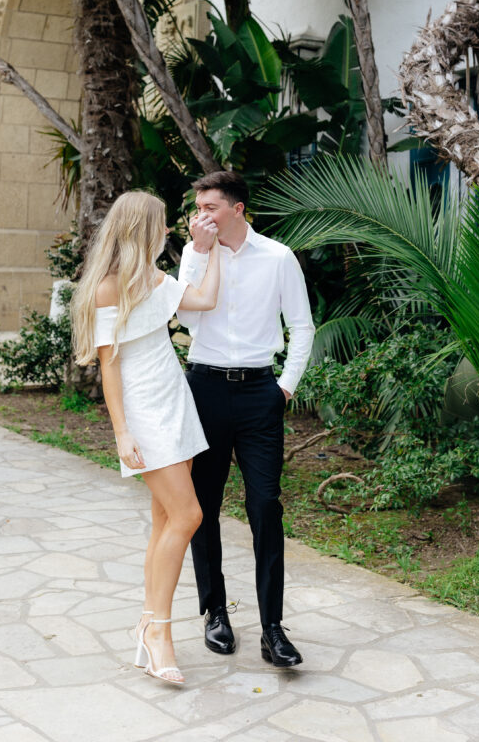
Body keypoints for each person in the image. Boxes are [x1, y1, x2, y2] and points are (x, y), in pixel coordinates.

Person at [72, 190, 220, 685]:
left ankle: (148, 623)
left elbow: (205, 298)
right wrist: (121, 432)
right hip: (143, 411)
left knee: (164, 521)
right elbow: (109, 367)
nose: (168, 233)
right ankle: (159, 631)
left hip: (174, 401)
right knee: (189, 515)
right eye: (162, 226)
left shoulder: (155, 280)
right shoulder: (109, 288)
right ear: (142, 230)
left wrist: (211, 248)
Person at [177, 170, 314, 668]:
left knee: (265, 507)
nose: (200, 217)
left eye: (209, 207)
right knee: (202, 507)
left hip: (260, 392)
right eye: (197, 208)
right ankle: (215, 611)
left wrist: (285, 388)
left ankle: (272, 627)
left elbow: (301, 326)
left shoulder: (278, 257)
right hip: (205, 388)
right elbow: (187, 318)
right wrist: (198, 252)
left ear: (237, 209)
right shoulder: (195, 255)